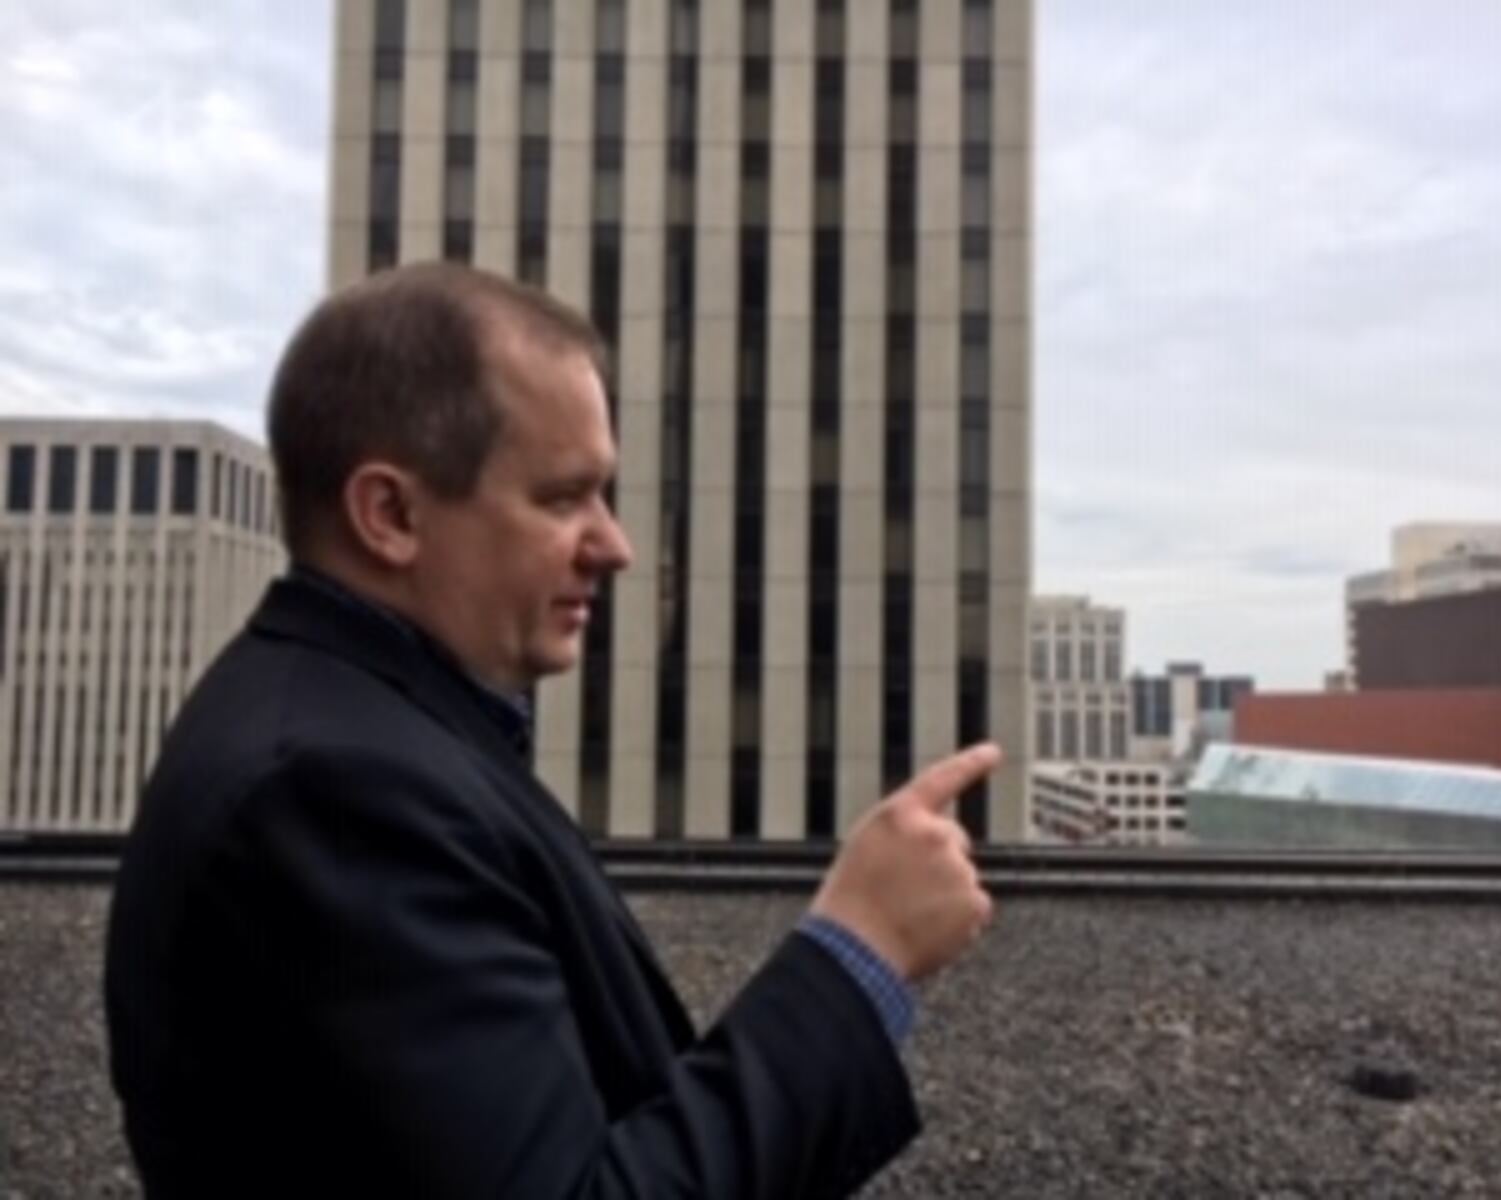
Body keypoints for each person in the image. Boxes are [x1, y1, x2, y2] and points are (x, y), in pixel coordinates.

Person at [104, 261, 998, 1198]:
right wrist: (861, 952)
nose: (614, 546)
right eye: (564, 497)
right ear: (392, 514)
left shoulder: (369, 732)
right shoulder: (333, 791)